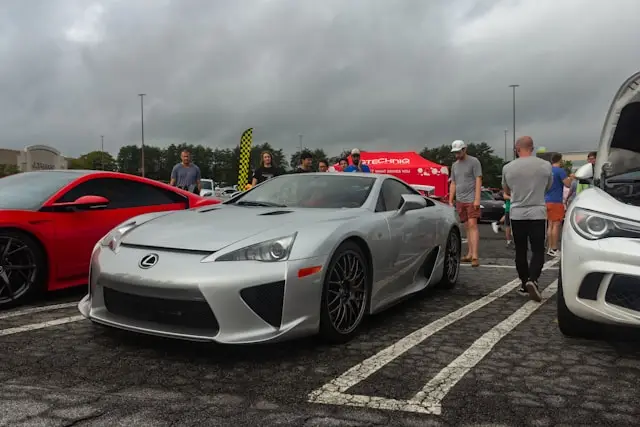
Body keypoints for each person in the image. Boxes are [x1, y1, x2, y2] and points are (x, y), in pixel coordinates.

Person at [502, 136, 553, 302]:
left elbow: (506, 189)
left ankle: (524, 283)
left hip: (517, 213)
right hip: (537, 211)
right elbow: (548, 186)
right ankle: (534, 279)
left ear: (517, 148)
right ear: (532, 148)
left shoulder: (508, 167)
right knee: (538, 249)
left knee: (521, 250)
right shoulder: (545, 165)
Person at [448, 140, 482, 267]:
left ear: (464, 149)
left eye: (458, 152)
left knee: (473, 225)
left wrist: (477, 199)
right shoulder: (455, 165)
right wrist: (451, 200)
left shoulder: (474, 162)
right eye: (455, 152)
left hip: (471, 199)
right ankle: (469, 253)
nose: (457, 155)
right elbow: (453, 183)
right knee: (467, 226)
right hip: (460, 200)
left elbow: (478, 179)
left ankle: (475, 256)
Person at [545, 153, 575, 257]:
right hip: (556, 201)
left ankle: (549, 247)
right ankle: (554, 248)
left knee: (550, 225)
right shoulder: (560, 171)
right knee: (556, 225)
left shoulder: (547, 171)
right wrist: (571, 178)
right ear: (560, 160)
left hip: (547, 200)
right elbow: (568, 184)